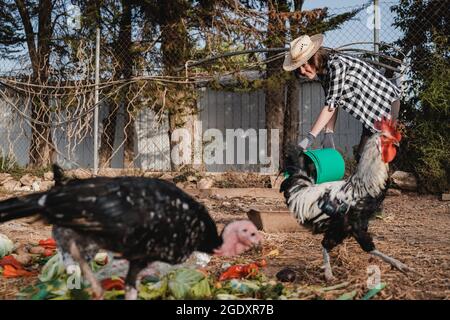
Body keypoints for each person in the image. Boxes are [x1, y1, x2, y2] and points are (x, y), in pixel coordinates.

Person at [283, 34, 401, 162]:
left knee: (371, 161)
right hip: (371, 114)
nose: (302, 71)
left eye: (304, 65)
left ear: (314, 57)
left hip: (386, 105)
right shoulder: (324, 72)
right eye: (298, 68)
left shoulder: (336, 66)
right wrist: (329, 132)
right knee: (362, 159)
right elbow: (333, 101)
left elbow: (330, 107)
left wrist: (309, 139)